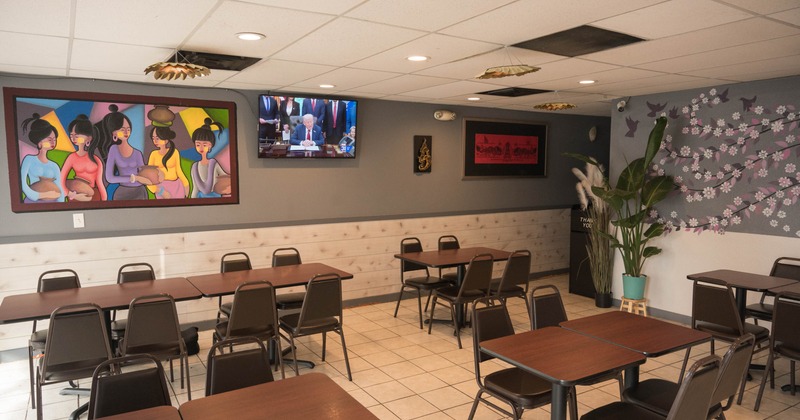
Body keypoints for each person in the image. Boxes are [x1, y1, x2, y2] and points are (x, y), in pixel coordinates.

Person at [98, 104, 148, 200]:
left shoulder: (137, 153)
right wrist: (133, 178)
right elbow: (110, 178)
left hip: (140, 191)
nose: (126, 133)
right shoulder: (114, 149)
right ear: (114, 133)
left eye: (128, 129)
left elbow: (144, 175)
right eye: (122, 130)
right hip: (122, 192)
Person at [19, 113, 65, 202]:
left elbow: (60, 188)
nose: (53, 142)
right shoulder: (29, 159)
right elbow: (22, 184)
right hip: (32, 201)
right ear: (39, 141)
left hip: (53, 202)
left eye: (54, 139)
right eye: (49, 139)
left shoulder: (54, 165)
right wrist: (42, 195)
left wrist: (61, 204)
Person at [60, 114, 107, 201]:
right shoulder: (72, 157)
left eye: (77, 136)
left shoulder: (96, 160)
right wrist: (70, 194)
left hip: (93, 194)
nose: (73, 138)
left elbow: (100, 183)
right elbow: (61, 179)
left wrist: (105, 201)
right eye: (71, 135)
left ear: (88, 138)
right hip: (76, 193)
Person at [146, 125, 189, 199]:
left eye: (157, 138)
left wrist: (186, 185)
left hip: (177, 186)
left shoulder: (174, 152)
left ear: (166, 140)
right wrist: (160, 191)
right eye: (153, 138)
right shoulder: (153, 154)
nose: (155, 141)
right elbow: (148, 178)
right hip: (161, 188)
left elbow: (179, 172)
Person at [190, 118, 229, 198]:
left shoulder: (213, 163)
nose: (201, 148)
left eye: (204, 145)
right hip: (200, 198)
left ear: (210, 146)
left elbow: (225, 178)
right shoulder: (195, 166)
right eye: (198, 145)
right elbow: (195, 188)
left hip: (215, 198)